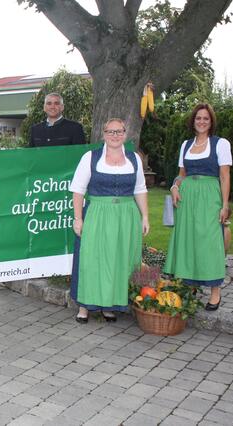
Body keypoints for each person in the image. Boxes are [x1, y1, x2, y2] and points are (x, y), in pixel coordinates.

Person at [69, 118, 149, 323]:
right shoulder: (91, 157)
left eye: (119, 131)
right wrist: (78, 218)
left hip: (126, 215)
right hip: (97, 213)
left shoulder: (134, 159)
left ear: (125, 133)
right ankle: (85, 306)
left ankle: (110, 305)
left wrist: (145, 216)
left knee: (119, 259)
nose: (115, 135)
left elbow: (140, 189)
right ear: (103, 134)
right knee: (92, 258)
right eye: (111, 132)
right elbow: (78, 190)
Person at [164, 103, 232, 311]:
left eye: (206, 118)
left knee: (210, 242)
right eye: (198, 118)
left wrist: (225, 205)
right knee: (188, 240)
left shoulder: (220, 144)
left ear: (211, 122)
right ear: (193, 121)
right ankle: (190, 286)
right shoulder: (186, 145)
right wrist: (175, 186)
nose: (201, 121)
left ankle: (215, 292)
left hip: (210, 196)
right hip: (187, 198)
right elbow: (181, 174)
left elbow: (224, 175)